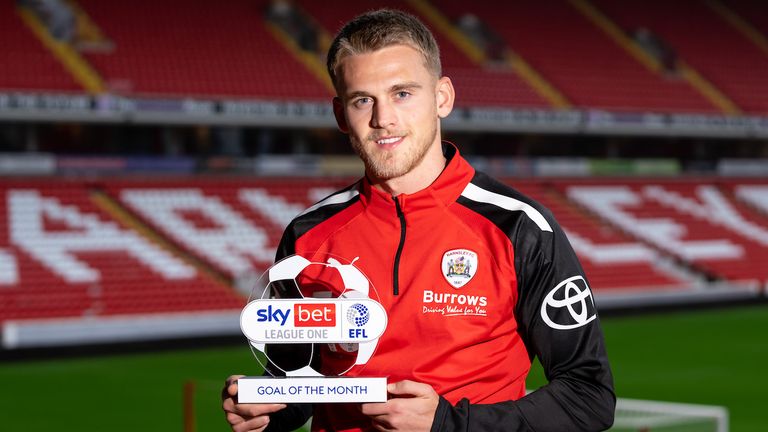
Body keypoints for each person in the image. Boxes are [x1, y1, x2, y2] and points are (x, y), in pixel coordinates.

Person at [223, 9, 615, 432]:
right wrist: (266, 410)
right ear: (341, 115)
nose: (383, 119)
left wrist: (449, 424)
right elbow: (300, 379)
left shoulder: (519, 227)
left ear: (442, 97)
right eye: (362, 100)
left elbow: (588, 396)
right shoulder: (307, 236)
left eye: (402, 94)